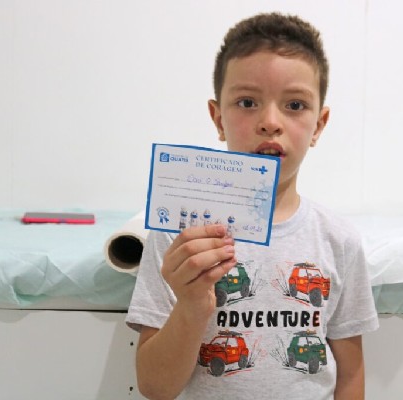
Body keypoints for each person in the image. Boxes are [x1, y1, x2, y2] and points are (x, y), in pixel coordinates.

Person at [126, 12, 379, 400]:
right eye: (247, 102)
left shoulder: (338, 240)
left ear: (319, 125)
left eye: (295, 104)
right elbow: (155, 387)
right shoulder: (179, 236)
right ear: (218, 118)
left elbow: (350, 373)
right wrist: (192, 305)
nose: (270, 122)